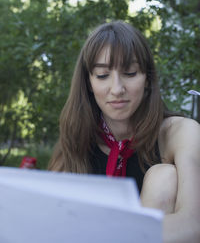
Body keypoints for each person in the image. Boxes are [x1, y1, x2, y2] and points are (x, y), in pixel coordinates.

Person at [48, 21, 200, 243]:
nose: (117, 89)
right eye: (102, 75)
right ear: (89, 83)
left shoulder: (181, 132)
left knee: (163, 177)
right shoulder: (76, 138)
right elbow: (49, 220)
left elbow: (194, 223)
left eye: (130, 73)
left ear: (147, 78)